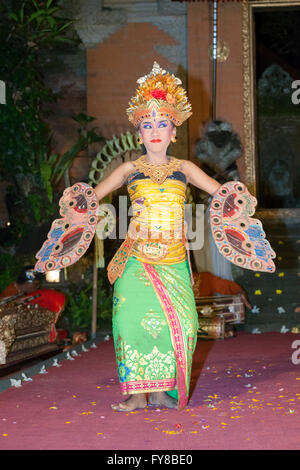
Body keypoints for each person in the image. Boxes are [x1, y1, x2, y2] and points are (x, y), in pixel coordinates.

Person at [93, 62, 221, 412]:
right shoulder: (128, 170)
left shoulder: (185, 169)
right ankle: (136, 394)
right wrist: (78, 211)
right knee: (130, 319)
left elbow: (224, 195)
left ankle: (164, 391)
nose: (154, 131)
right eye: (147, 124)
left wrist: (236, 209)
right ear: (139, 133)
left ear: (173, 131)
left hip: (175, 259)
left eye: (161, 123)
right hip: (136, 259)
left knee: (182, 323)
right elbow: (90, 198)